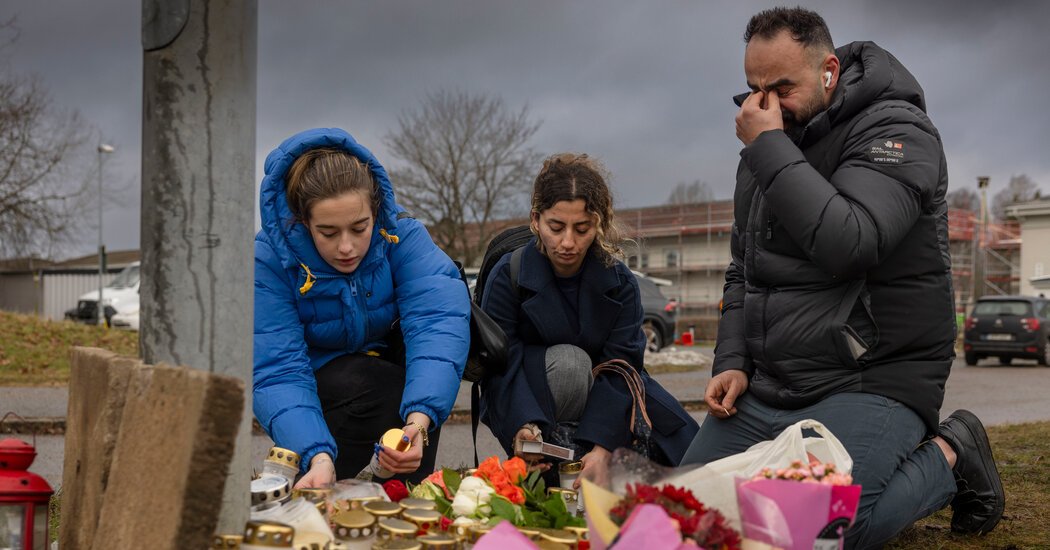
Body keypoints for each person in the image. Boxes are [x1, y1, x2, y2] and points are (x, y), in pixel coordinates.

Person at [680, 8, 1004, 547]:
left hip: (871, 376)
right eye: (753, 89)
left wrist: (766, 148)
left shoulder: (897, 129)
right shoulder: (768, 146)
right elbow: (744, 268)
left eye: (781, 87)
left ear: (829, 70)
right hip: (774, 384)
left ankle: (952, 452)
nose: (763, 105)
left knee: (820, 531)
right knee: (689, 516)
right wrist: (733, 360)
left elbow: (850, 242)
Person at [253, 128, 470, 488]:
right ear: (301, 221)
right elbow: (277, 369)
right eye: (328, 232)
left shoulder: (401, 235)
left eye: (359, 227)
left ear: (377, 211)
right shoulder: (269, 260)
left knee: (416, 390)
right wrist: (315, 455)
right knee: (373, 385)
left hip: (384, 369)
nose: (347, 247)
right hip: (316, 383)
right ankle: (329, 482)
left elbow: (438, 322)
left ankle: (407, 496)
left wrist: (418, 423)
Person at [479, 153, 699, 486]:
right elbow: (502, 366)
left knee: (693, 458)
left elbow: (622, 363)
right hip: (532, 396)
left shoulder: (621, 282)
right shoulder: (507, 276)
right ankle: (553, 452)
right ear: (535, 220)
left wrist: (602, 444)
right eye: (556, 227)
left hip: (606, 396)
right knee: (571, 365)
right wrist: (522, 427)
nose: (568, 242)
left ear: (598, 224)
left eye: (582, 229)